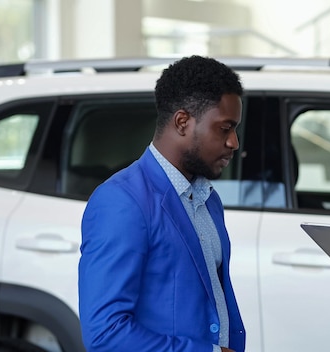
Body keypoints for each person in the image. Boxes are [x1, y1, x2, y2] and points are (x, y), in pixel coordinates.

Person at [78, 55, 246, 352]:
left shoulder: (208, 198)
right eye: (224, 128)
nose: (234, 142)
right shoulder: (122, 201)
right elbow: (105, 334)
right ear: (183, 122)